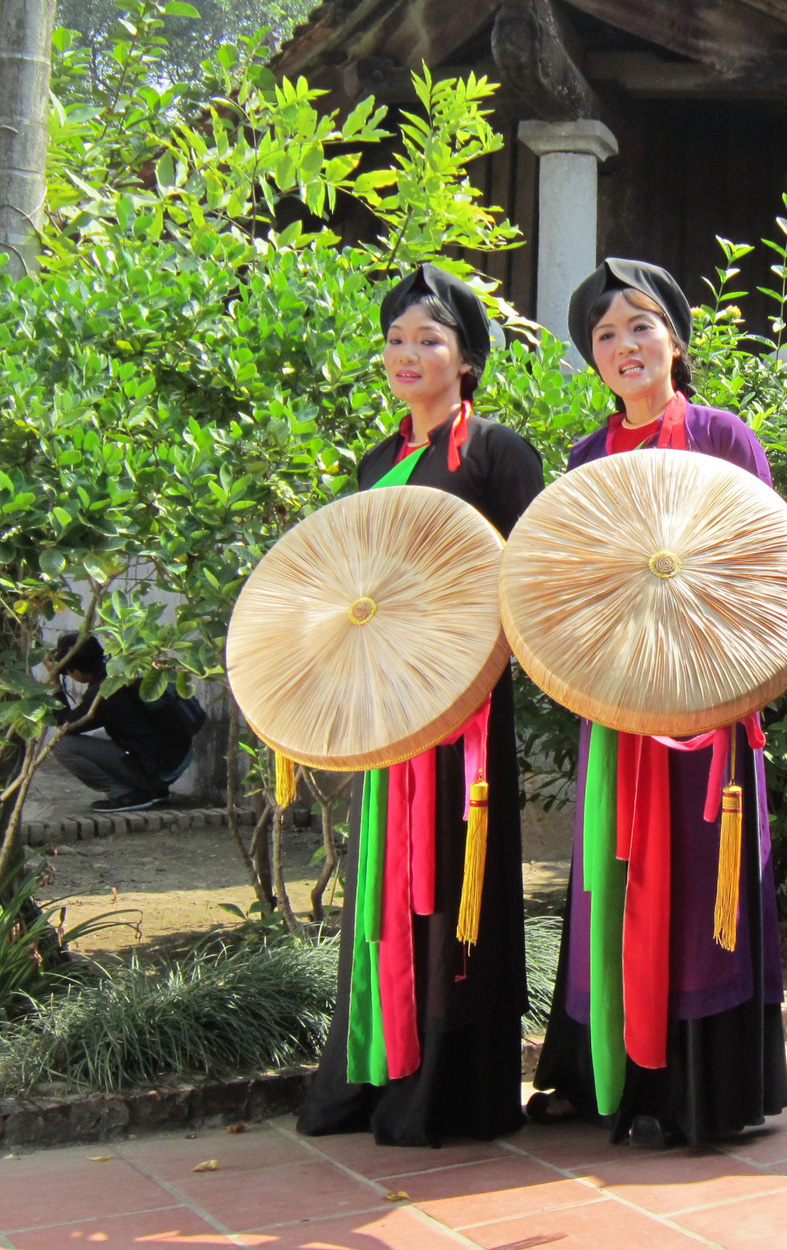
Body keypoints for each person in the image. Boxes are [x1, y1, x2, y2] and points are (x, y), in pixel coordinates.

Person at [528, 258, 787, 1147]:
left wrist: (718, 680)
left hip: (708, 707)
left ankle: (704, 1091)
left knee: (695, 888)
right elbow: (564, 586)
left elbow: (767, 569)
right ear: (593, 360)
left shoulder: (721, 436)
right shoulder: (586, 459)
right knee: (617, 882)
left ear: (676, 340)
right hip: (617, 708)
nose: (625, 346)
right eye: (605, 335)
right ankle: (621, 1076)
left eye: (641, 325)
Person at [296, 263, 546, 1148]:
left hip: (465, 710)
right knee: (382, 884)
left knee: (450, 876)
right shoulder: (378, 460)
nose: (407, 353)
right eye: (397, 339)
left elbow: (534, 576)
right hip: (386, 707)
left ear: (467, 359)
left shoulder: (498, 452)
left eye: (428, 339)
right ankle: (373, 1070)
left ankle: (448, 1087)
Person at [49, 633, 203, 813]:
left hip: (161, 770)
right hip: (182, 755)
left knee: (61, 744)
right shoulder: (126, 667)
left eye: (67, 671)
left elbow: (65, 725)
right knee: (119, 730)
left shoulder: (104, 693)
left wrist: (54, 683)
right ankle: (156, 792)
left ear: (76, 672)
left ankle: (125, 794)